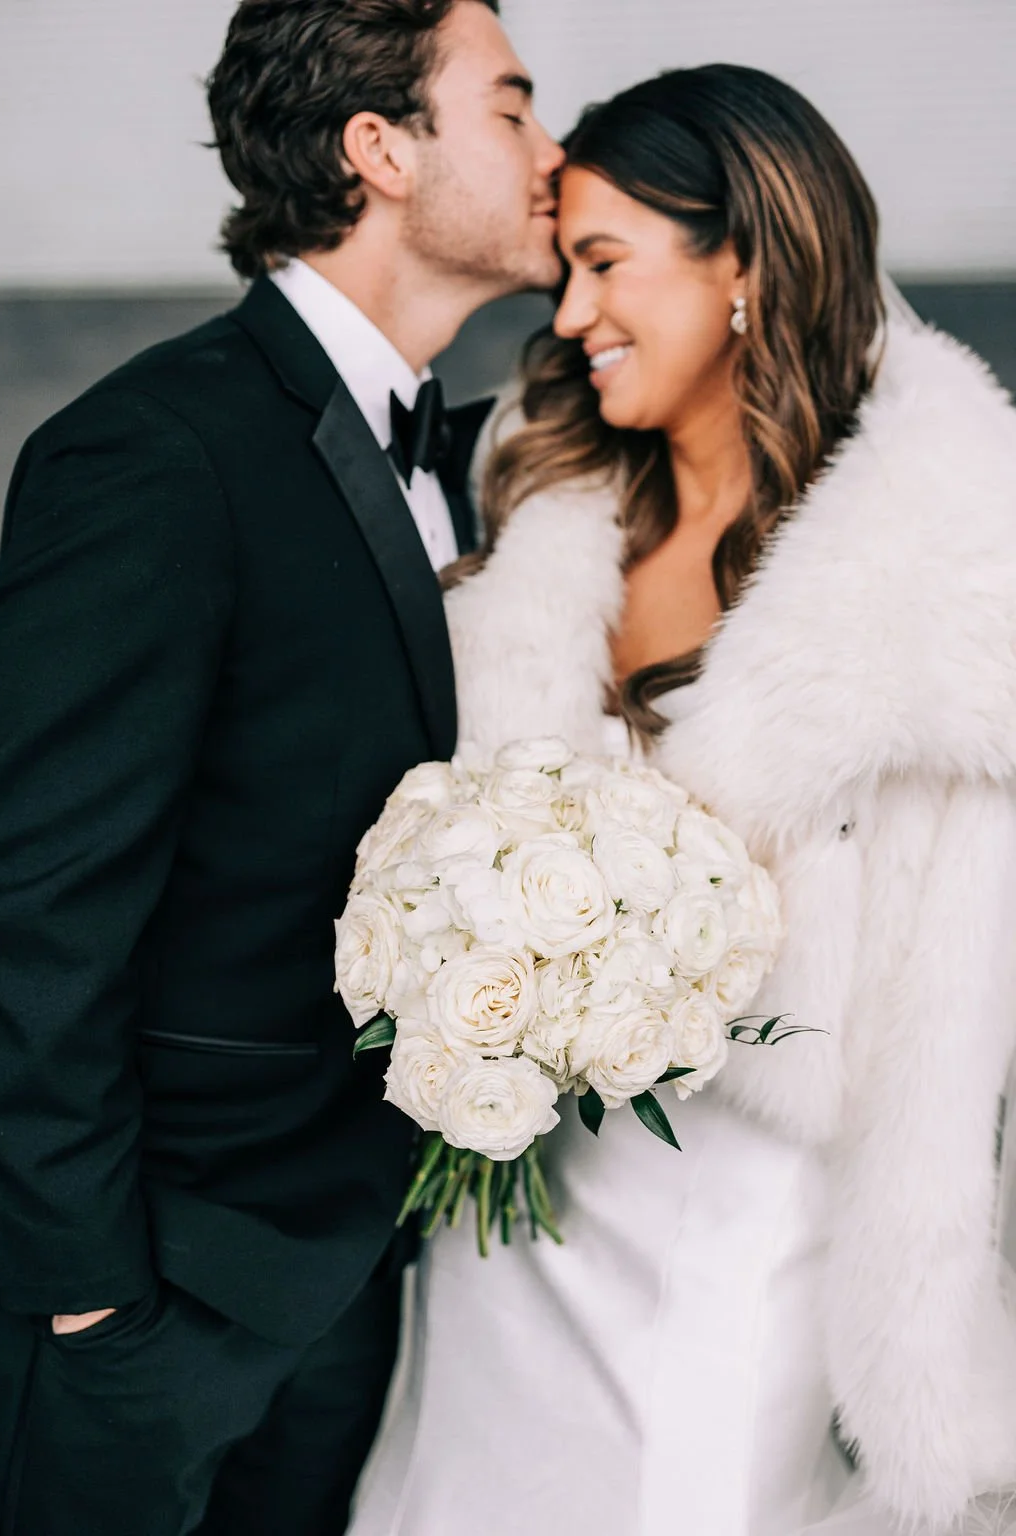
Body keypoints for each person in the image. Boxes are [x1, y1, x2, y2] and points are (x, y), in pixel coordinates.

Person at [346, 64, 1016, 1536]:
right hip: (514, 1215)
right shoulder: (545, 518)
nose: (567, 316)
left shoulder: (953, 582)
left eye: (602, 265)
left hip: (747, 1228)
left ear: (745, 264)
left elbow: (955, 1009)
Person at [0, 2, 563, 1533]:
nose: (550, 155)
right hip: (158, 1300)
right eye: (511, 109)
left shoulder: (457, 455)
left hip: (351, 1283)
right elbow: (34, 903)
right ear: (381, 148)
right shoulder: (157, 454)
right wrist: (90, 1309)